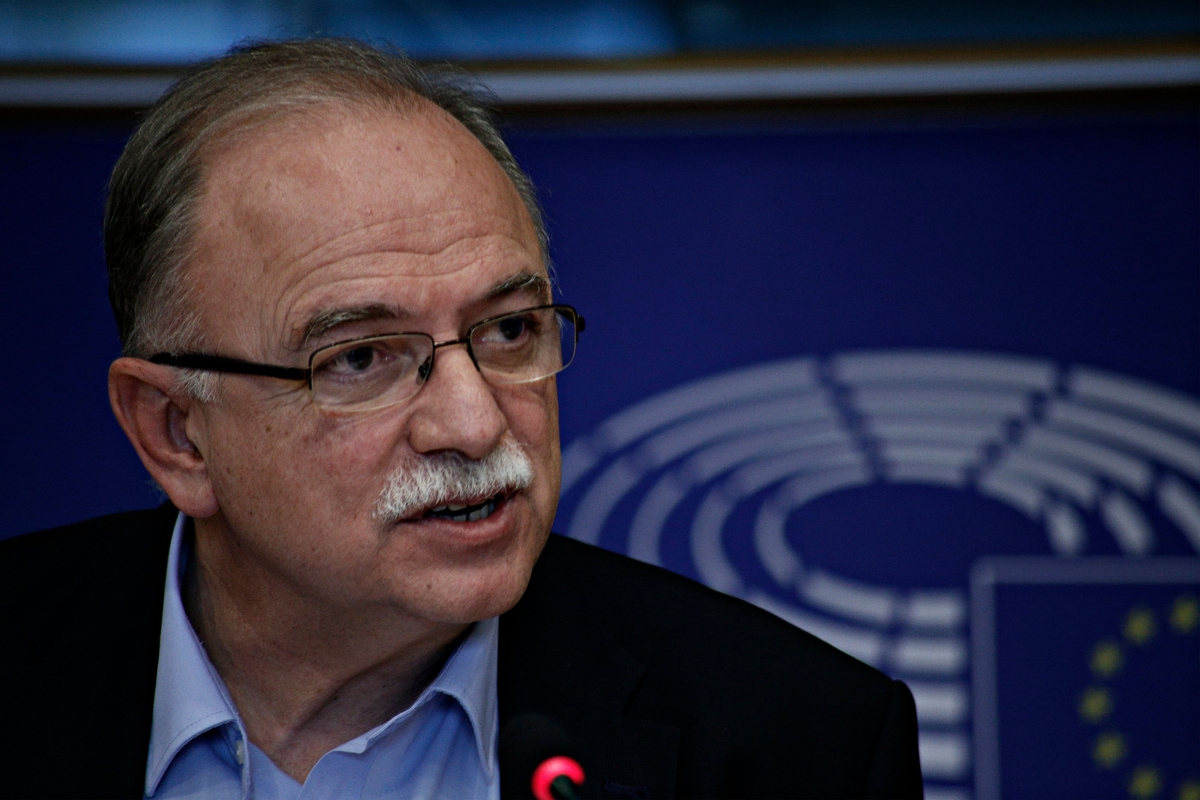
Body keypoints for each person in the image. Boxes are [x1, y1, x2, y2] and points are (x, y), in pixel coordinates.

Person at [0, 39, 922, 799]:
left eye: (511, 330)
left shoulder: (796, 747)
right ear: (176, 432)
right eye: (360, 358)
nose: (476, 425)